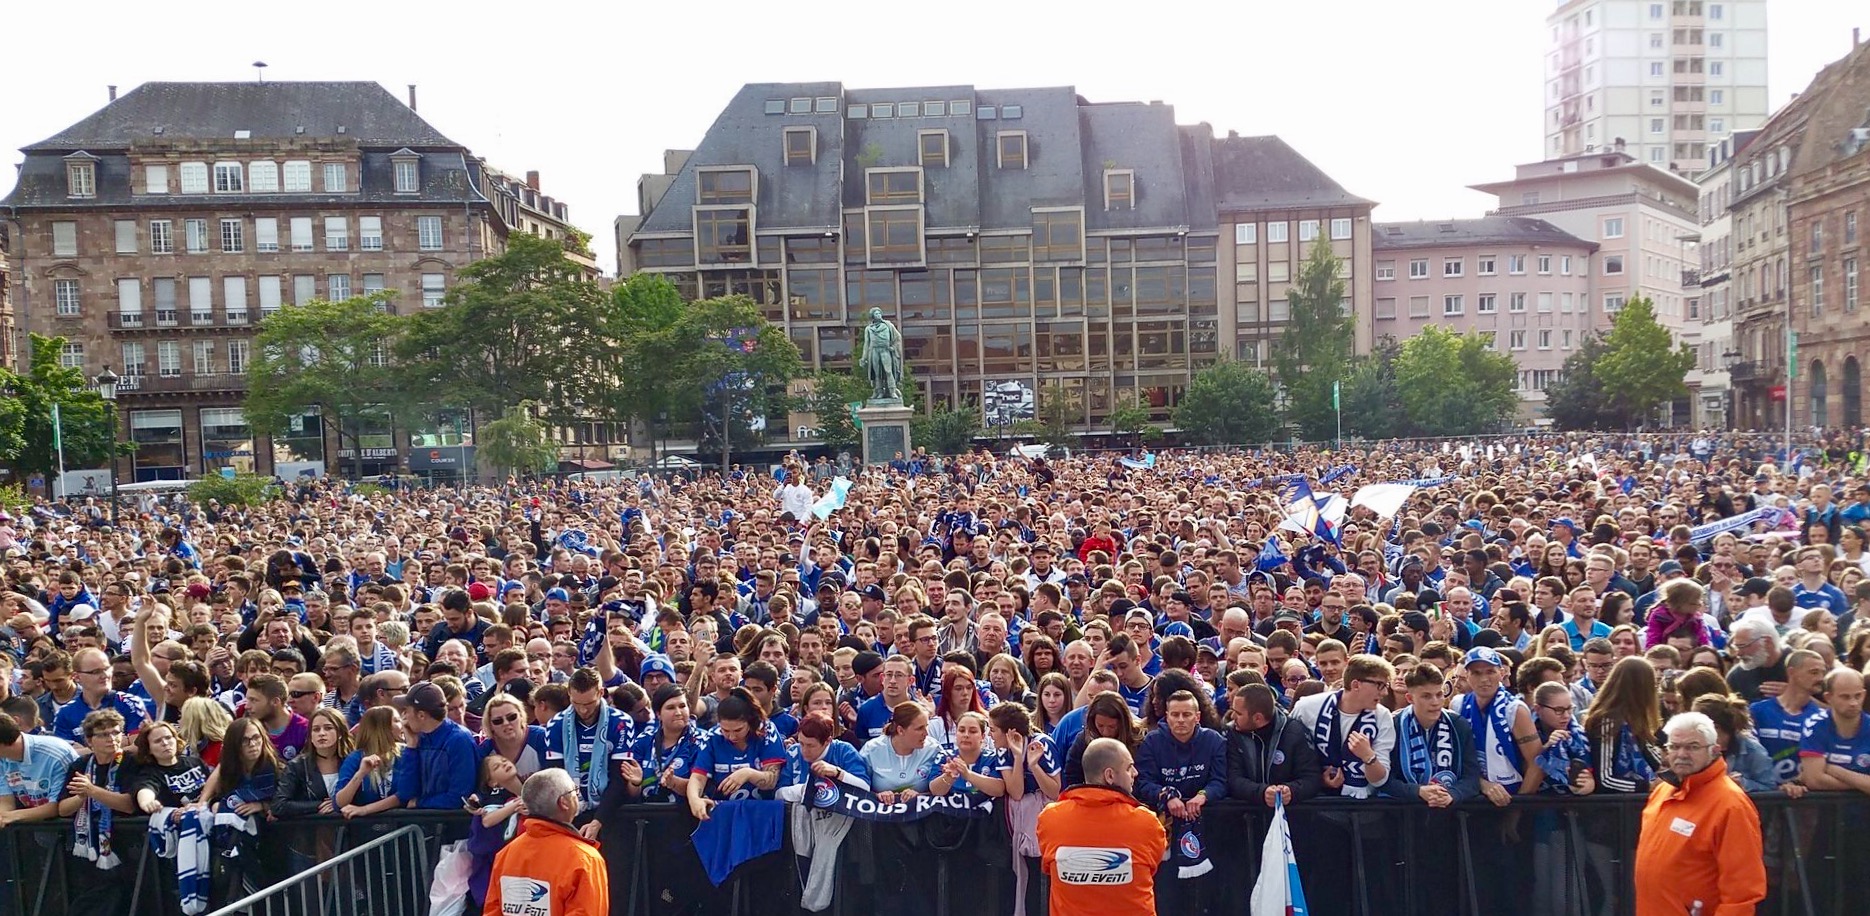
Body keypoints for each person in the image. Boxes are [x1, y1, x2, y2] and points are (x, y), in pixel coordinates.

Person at [1633, 712, 1765, 916]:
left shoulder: (1731, 805)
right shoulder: (1662, 791)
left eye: (1693, 747)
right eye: (1674, 746)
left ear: (1714, 750)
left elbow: (1742, 892)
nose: (1682, 754)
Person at [1038, 737, 1167, 916]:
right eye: (1129, 767)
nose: (1135, 773)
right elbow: (1152, 865)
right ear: (1110, 776)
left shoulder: (1050, 818)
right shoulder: (1147, 822)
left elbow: (1049, 867)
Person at [482, 768, 609, 916]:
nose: (577, 795)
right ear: (563, 803)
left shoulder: (506, 854)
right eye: (575, 790)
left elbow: (492, 911)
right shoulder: (584, 858)